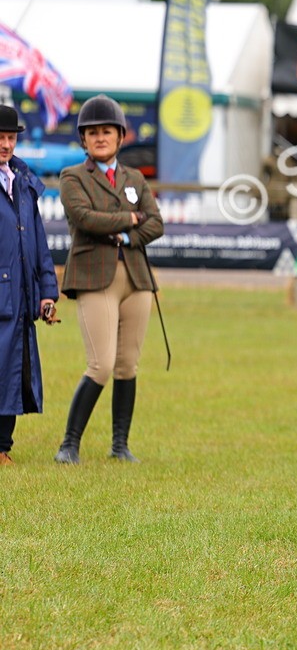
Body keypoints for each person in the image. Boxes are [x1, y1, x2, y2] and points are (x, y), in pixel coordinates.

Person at [55, 95, 164, 464]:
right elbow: (85, 219)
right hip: (94, 276)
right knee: (100, 364)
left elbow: (157, 223)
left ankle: (120, 445)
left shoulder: (134, 177)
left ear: (120, 136)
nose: (100, 138)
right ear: (83, 140)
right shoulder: (72, 176)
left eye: (106, 131)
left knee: (128, 365)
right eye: (92, 133)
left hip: (135, 276)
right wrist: (130, 220)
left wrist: (127, 235)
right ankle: (69, 444)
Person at [0, 104, 60, 465]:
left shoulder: (23, 183)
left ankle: (2, 446)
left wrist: (48, 293)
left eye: (9, 138)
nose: (5, 144)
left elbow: (38, 243)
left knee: (13, 368)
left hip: (20, 296)